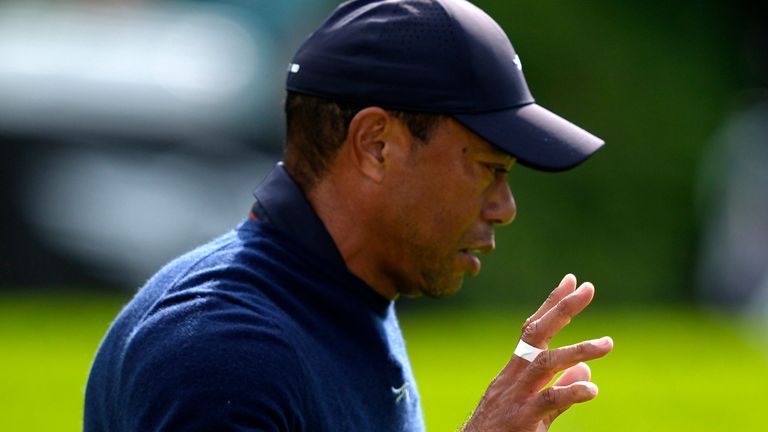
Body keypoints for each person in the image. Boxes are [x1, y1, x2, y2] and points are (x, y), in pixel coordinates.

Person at [84, 0, 614, 430]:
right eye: (487, 168)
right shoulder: (226, 354)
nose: (504, 208)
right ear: (376, 145)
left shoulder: (339, 301)